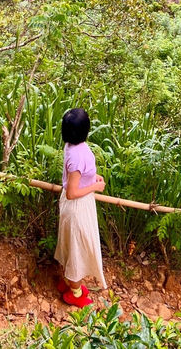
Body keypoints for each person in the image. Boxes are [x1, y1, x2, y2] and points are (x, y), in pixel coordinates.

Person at [55, 108, 106, 307]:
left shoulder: (71, 146)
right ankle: (75, 292)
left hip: (77, 205)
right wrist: (95, 186)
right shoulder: (76, 157)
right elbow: (72, 192)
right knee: (77, 248)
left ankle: (69, 280)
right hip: (77, 207)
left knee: (74, 244)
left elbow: (77, 178)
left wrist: (92, 177)